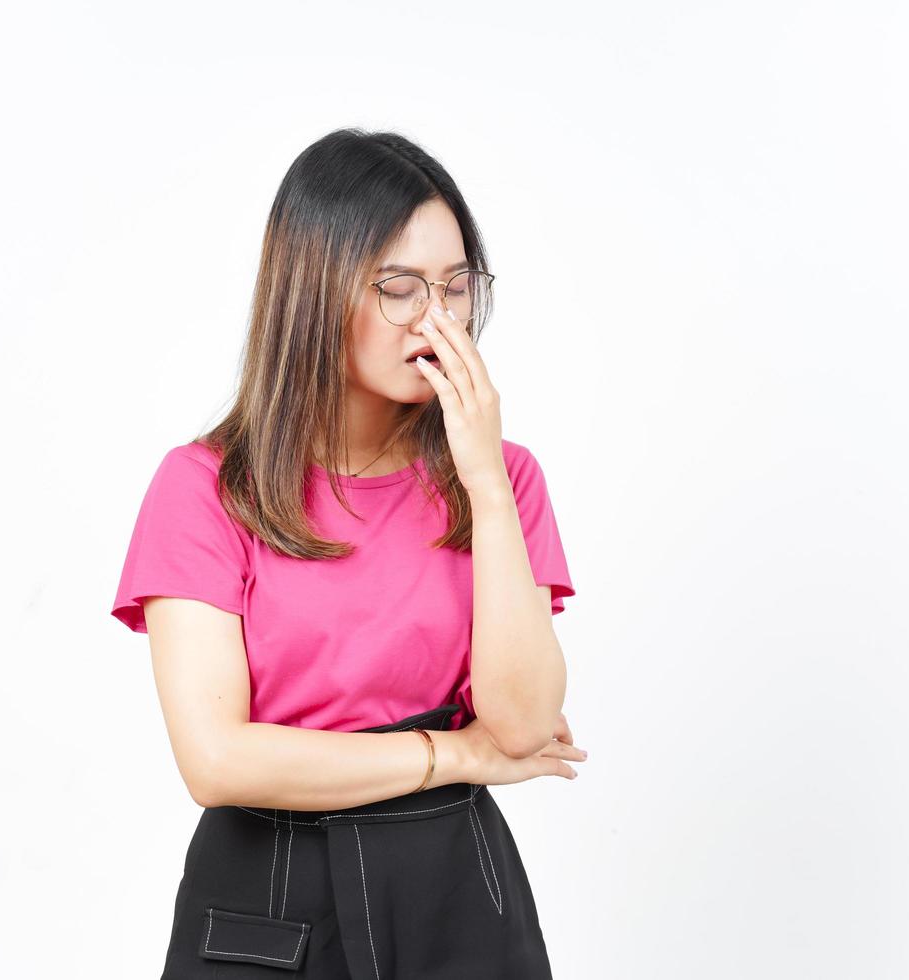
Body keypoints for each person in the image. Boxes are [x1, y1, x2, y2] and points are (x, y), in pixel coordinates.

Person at [109, 127, 587, 979]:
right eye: (400, 287)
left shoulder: (505, 479)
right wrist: (452, 755)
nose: (437, 318)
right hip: (268, 895)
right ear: (313, 289)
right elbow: (217, 760)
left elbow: (519, 726)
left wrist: (481, 476)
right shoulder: (206, 488)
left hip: (456, 892)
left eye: (455, 286)